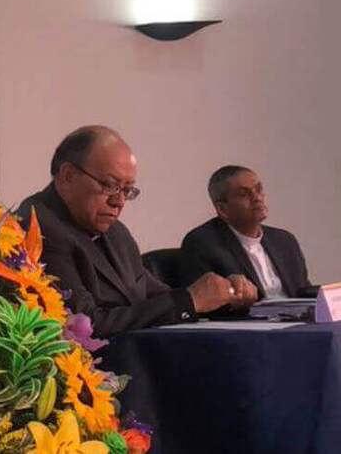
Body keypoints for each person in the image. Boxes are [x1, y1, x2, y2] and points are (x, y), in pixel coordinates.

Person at [16, 126, 256, 338]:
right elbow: (83, 325)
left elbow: (153, 298)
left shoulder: (115, 233)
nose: (119, 201)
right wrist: (190, 300)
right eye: (110, 186)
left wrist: (226, 296)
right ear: (68, 176)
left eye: (127, 190)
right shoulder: (39, 226)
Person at [180, 165, 315, 299]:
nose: (257, 198)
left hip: (296, 318)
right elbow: (206, 303)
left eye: (258, 189)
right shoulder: (203, 243)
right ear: (222, 209)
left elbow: (303, 292)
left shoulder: (284, 240)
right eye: (244, 194)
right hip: (250, 319)